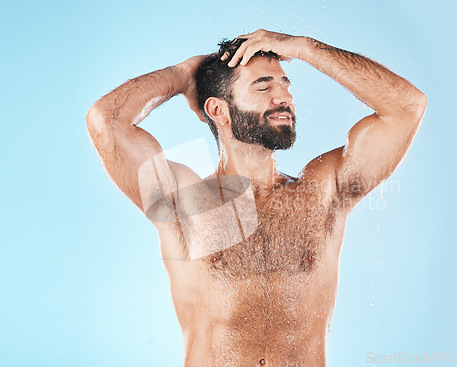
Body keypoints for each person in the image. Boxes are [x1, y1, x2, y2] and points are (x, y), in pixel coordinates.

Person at [86, 29, 426, 367]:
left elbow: (406, 108)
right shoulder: (184, 202)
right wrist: (182, 74)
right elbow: (107, 120)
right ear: (218, 110)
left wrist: (305, 47)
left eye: (285, 84)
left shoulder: (323, 192)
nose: (284, 97)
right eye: (263, 86)